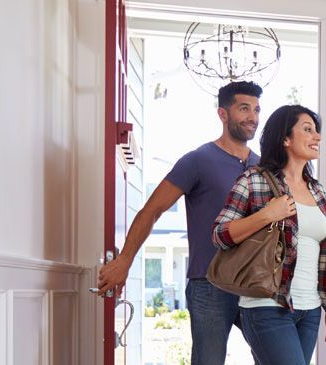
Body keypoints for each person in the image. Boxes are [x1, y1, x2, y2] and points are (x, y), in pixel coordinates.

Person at [97, 81, 264, 364]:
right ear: (223, 114)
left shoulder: (262, 166)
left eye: (257, 109)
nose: (253, 117)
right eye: (244, 108)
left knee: (275, 357)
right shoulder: (198, 161)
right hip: (210, 283)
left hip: (256, 283)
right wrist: (124, 260)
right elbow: (151, 211)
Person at [212, 104, 326, 365]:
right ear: (285, 138)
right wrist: (266, 215)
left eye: (317, 131)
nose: (317, 137)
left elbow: (324, 258)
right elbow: (220, 234)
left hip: (310, 310)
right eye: (307, 130)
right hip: (267, 306)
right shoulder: (253, 180)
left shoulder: (318, 191)